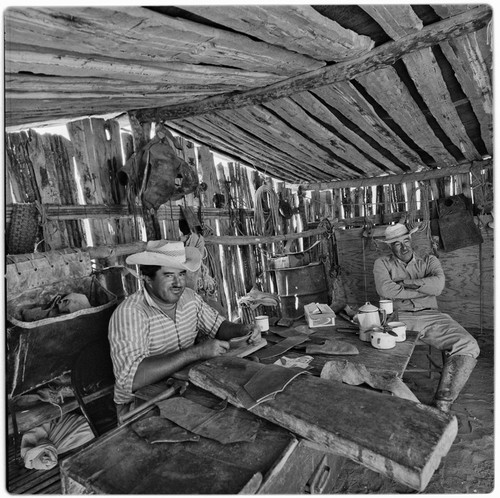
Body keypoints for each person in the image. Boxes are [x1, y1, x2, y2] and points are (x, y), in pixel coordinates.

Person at [108, 240, 261, 418]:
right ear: (148, 278)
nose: (178, 283)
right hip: (142, 405)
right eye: (168, 275)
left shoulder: (189, 298)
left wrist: (242, 329)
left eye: (181, 274)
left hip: (183, 391)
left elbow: (218, 326)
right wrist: (195, 353)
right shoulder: (131, 313)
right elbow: (131, 380)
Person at [373, 223, 479, 413]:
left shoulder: (429, 261)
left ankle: (442, 404)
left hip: (431, 316)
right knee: (379, 347)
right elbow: (385, 289)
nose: (403, 247)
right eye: (397, 244)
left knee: (468, 345)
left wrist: (404, 284)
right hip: (398, 318)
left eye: (406, 241)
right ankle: (386, 404)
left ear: (411, 240)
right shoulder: (382, 263)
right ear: (390, 246)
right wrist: (423, 288)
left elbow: (437, 287)